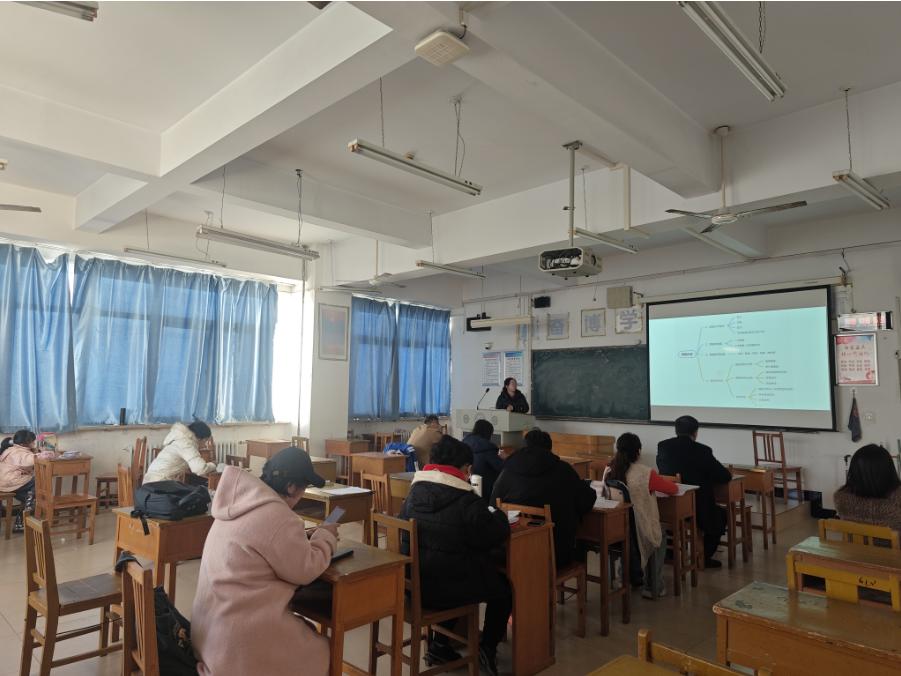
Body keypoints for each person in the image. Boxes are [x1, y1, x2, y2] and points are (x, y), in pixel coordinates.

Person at [192, 446, 338, 676]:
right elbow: (307, 568)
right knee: (321, 649)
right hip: (234, 647)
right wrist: (325, 535)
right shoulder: (277, 516)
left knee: (303, 632)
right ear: (291, 487)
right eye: (303, 488)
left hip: (207, 634)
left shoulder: (236, 503)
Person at [399, 435, 511, 676]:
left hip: (413, 586)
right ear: (465, 468)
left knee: (450, 569)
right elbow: (494, 534)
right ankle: (487, 648)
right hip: (447, 590)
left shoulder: (413, 494)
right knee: (503, 588)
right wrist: (499, 515)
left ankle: (440, 645)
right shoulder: (466, 500)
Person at [490, 429, 596, 570]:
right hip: (555, 554)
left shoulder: (508, 470)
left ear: (525, 447)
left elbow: (493, 505)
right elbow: (586, 501)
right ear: (550, 449)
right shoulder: (563, 470)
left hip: (514, 552)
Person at [605, 433, 678, 599]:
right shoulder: (646, 473)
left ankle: (625, 578)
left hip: (617, 528)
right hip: (640, 528)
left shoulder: (610, 470)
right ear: (638, 452)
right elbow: (672, 489)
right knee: (659, 535)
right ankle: (653, 586)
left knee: (631, 538)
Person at [656, 415, 731, 568]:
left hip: (668, 505)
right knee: (721, 515)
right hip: (697, 507)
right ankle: (704, 556)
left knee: (674, 512)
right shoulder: (703, 451)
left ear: (676, 430)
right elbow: (724, 476)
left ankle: (670, 553)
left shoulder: (663, 446)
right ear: (695, 432)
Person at [833, 444, 901, 536]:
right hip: (891, 546)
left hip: (854, 545)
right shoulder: (896, 503)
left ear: (854, 470)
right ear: (889, 470)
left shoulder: (840, 499)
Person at [0, 430, 53, 532]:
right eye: (32, 441)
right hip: (11, 482)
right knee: (38, 484)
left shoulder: (11, 449)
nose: (34, 443)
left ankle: (22, 519)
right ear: (25, 443)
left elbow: (30, 455)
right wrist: (47, 453)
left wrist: (36, 450)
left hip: (5, 482)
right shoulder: (20, 453)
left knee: (30, 494)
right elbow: (32, 459)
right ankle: (22, 521)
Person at [143, 420, 217, 484]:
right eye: (205, 441)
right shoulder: (186, 444)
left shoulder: (179, 439)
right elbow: (200, 469)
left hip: (151, 481)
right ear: (200, 438)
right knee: (199, 492)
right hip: (159, 483)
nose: (205, 445)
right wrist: (213, 464)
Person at [462, 419, 504, 501]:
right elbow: (501, 468)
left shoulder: (464, 443)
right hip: (486, 489)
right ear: (488, 433)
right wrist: (504, 458)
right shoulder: (488, 448)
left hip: (467, 485)